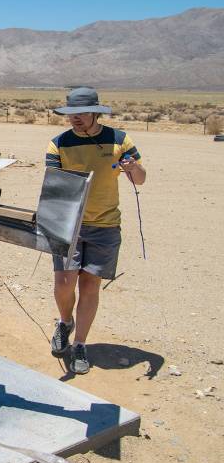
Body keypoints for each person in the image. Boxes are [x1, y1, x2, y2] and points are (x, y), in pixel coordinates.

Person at [45, 87, 146, 374]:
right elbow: (54, 186)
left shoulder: (119, 139)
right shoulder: (58, 144)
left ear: (96, 113)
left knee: (90, 286)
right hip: (69, 224)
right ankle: (65, 322)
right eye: (71, 114)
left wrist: (133, 168)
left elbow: (140, 179)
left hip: (105, 225)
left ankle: (80, 345)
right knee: (64, 283)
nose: (75, 119)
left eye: (81, 114)